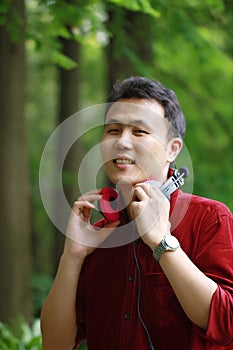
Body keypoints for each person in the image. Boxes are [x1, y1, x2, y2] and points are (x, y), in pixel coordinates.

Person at [40, 76, 233, 350]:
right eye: (113, 130)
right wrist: (72, 256)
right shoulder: (99, 235)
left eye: (139, 132)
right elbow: (55, 345)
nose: (122, 142)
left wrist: (161, 241)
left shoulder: (210, 218)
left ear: (172, 149)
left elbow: (226, 326)